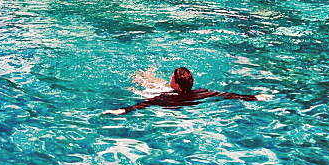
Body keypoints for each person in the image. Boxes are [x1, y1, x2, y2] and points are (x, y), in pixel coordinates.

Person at [103, 67, 270, 115]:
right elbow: (228, 95)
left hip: (170, 99)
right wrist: (253, 97)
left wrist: (123, 110)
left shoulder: (166, 97)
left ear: (175, 84)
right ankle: (145, 74)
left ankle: (144, 74)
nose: (170, 79)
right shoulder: (201, 93)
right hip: (181, 98)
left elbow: (146, 103)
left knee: (140, 83)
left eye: (171, 78)